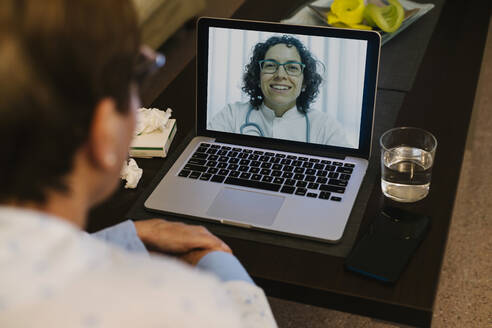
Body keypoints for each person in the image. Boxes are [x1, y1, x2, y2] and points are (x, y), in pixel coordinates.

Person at [0, 0, 276, 327]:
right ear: (103, 133)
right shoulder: (183, 306)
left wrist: (126, 235)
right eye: (138, 75)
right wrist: (219, 264)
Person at [209, 35, 350, 147]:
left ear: (305, 82)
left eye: (292, 67)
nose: (280, 75)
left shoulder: (325, 126)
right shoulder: (231, 115)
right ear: (258, 77)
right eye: (271, 65)